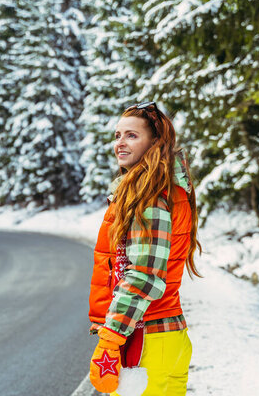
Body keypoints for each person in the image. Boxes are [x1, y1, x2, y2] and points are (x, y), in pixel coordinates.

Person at [88, 101, 202, 396]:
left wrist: (110, 339)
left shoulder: (148, 195)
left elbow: (144, 275)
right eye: (117, 136)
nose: (120, 143)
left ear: (155, 141)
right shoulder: (163, 188)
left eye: (131, 135)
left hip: (145, 342)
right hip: (166, 338)